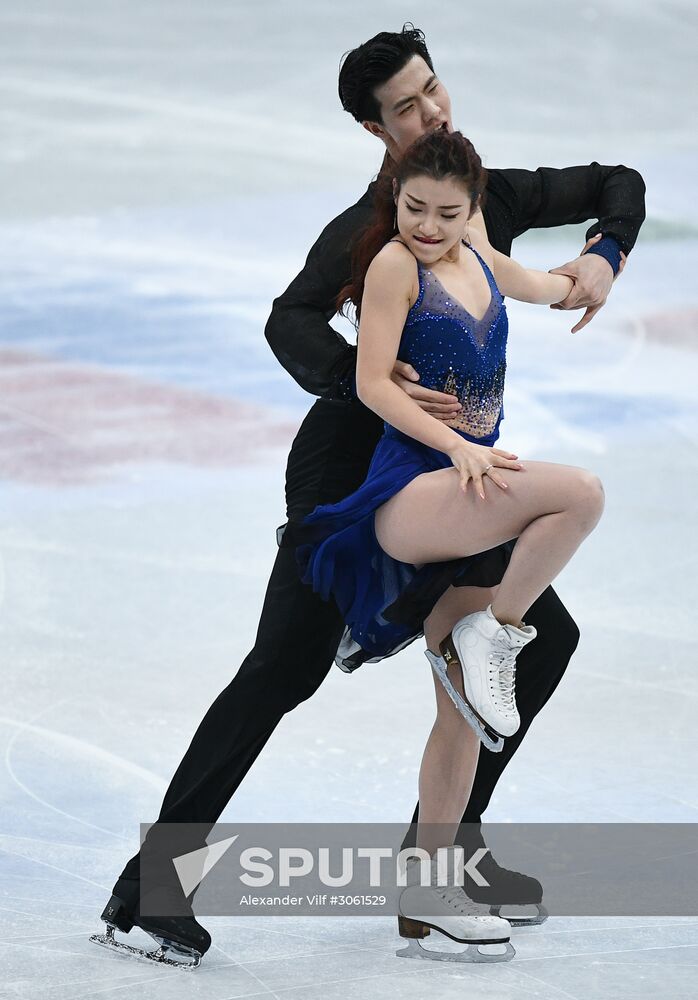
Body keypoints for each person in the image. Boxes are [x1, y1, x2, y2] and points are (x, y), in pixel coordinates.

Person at [91, 24, 645, 968]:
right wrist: (370, 378)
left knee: (540, 642)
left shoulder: (485, 195)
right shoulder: (370, 232)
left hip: (449, 474)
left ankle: (434, 866)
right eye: (406, 107)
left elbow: (614, 183)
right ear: (373, 128)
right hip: (355, 477)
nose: (431, 111)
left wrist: (604, 254)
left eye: (433, 90)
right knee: (282, 670)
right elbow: (287, 318)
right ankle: (149, 893)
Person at [283, 126, 606, 962]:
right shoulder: (396, 267)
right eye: (412, 207)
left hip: (466, 495)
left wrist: (597, 267)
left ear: (472, 210)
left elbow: (545, 284)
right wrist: (455, 443)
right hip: (413, 491)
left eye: (446, 212)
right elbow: (367, 381)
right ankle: (495, 626)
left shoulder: (482, 257)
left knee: (460, 715)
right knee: (579, 493)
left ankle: (428, 893)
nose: (426, 225)